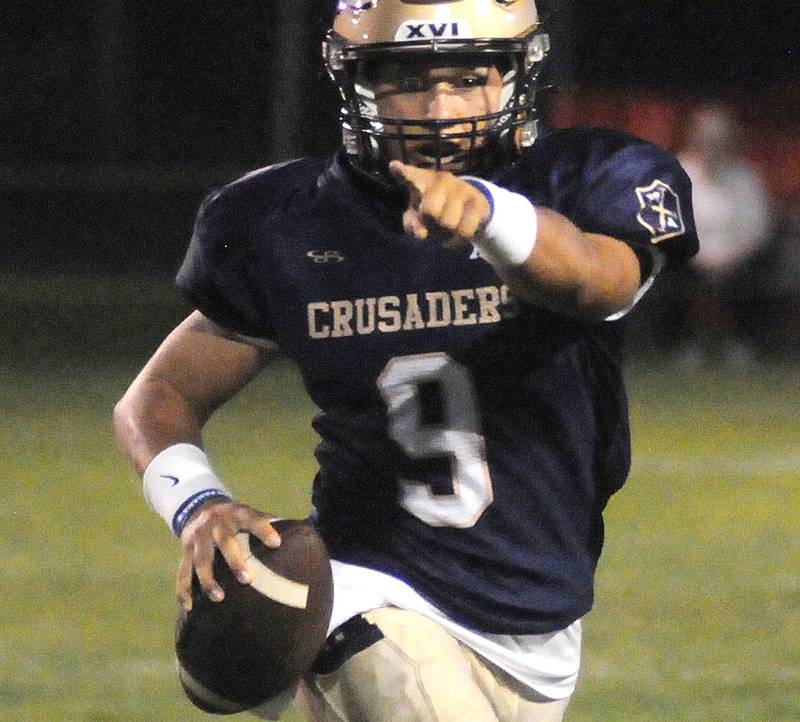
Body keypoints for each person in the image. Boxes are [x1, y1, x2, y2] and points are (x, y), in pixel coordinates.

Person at [114, 2, 698, 720]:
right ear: (354, 82)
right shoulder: (284, 221)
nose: (439, 109)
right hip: (370, 587)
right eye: (408, 80)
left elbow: (595, 280)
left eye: (467, 78)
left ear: (517, 75)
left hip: (536, 608)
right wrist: (196, 503)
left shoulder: (584, 180)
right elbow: (160, 394)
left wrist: (490, 216)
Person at [674, 103, 773, 365]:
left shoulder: (745, 177)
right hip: (689, 260)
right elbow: (670, 226)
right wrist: (700, 259)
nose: (713, 147)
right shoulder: (676, 172)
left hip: (738, 262)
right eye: (707, 139)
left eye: (720, 140)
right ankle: (688, 343)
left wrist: (730, 258)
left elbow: (758, 228)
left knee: (752, 273)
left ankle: (738, 344)